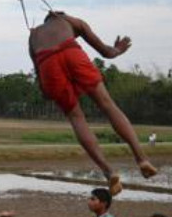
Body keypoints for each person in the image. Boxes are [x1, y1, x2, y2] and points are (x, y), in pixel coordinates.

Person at [28, 11, 157, 195]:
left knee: (76, 117)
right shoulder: (72, 21)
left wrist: (48, 91)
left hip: (47, 64)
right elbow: (107, 52)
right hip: (72, 53)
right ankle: (142, 159)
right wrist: (119, 49)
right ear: (60, 14)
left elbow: (39, 75)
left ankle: (108, 171)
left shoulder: (33, 35)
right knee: (108, 105)